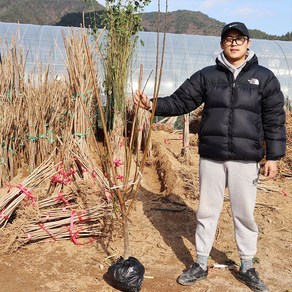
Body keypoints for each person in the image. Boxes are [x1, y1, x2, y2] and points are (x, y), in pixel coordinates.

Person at [134, 22, 286, 291]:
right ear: (222, 45)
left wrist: (273, 156)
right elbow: (181, 101)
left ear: (249, 43)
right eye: (229, 39)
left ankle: (247, 266)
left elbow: (274, 119)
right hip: (212, 157)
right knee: (206, 211)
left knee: (244, 214)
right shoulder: (207, 76)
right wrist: (152, 104)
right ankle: (201, 263)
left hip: (246, 159)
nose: (234, 43)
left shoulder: (264, 78)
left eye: (240, 39)